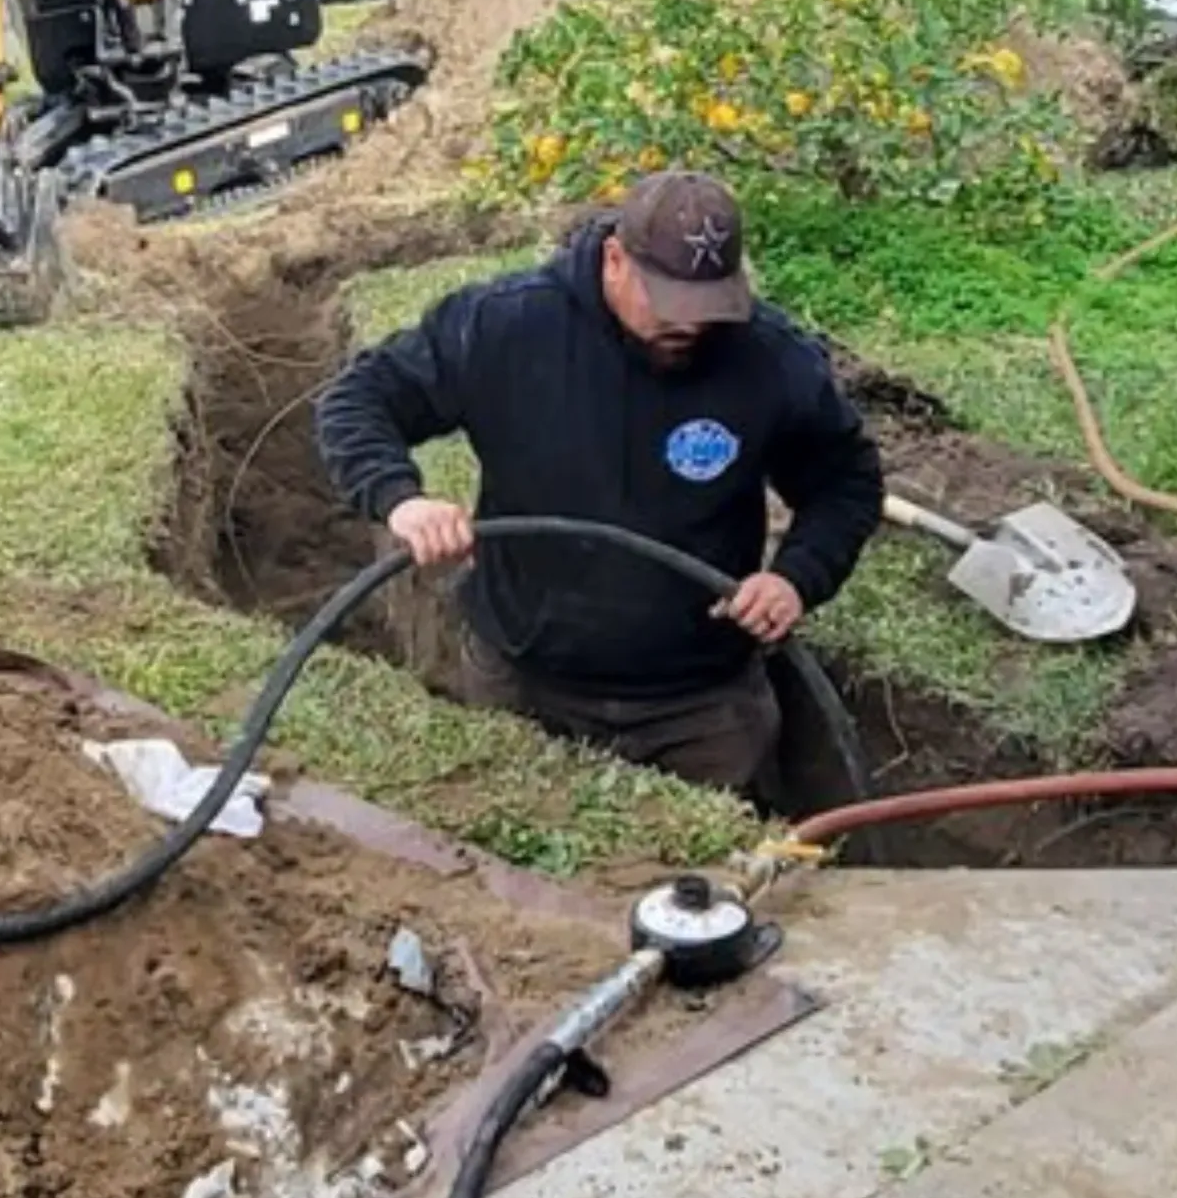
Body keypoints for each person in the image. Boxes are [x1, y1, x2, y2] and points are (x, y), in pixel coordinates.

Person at [314, 169, 884, 811]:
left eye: (709, 307)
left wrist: (795, 578)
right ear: (615, 258)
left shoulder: (769, 358)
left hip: (703, 707)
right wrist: (400, 498)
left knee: (705, 890)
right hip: (524, 685)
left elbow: (847, 482)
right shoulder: (507, 327)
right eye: (668, 300)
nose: (690, 326)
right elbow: (358, 400)